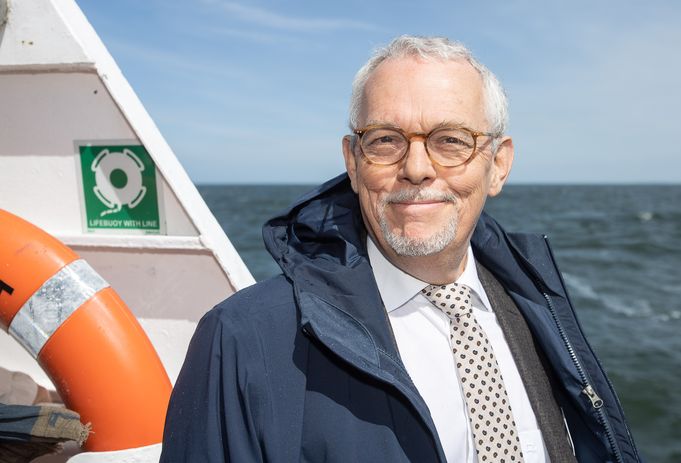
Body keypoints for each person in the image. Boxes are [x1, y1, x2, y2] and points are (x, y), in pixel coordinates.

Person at [160, 36, 641, 462]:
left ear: (498, 165)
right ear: (352, 161)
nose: (416, 167)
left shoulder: (537, 303)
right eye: (386, 140)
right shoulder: (243, 340)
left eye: (451, 140)